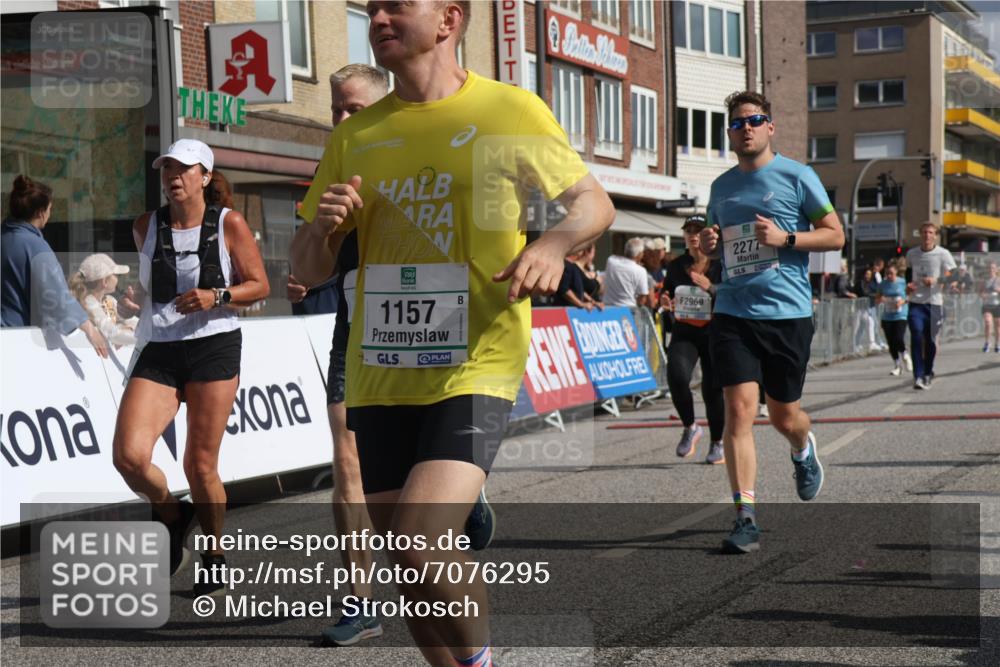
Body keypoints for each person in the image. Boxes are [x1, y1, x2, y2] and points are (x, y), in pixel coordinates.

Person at [292, 3, 615, 664]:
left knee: (419, 537)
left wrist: (553, 243)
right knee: (408, 568)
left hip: (477, 357)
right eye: (371, 8)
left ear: (448, 20)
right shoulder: (356, 135)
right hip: (382, 365)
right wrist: (323, 229)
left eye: (395, 6)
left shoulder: (507, 111)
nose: (378, 16)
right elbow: (302, 272)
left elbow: (593, 202)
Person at [111, 139, 269, 595]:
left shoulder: (228, 224)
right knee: (129, 457)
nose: (173, 177)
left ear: (204, 176)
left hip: (212, 346)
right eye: (167, 170)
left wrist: (215, 296)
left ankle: (215, 553)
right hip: (159, 347)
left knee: (200, 465)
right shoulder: (146, 226)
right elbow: (149, 289)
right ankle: (172, 512)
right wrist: (132, 300)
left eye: (183, 169)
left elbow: (259, 285)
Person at [700, 90, 845, 554]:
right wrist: (707, 242)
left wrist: (785, 238)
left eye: (754, 120)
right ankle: (745, 516)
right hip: (733, 312)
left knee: (785, 417)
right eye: (737, 123)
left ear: (770, 126)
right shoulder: (721, 187)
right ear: (730, 133)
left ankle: (803, 449)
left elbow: (835, 235)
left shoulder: (798, 176)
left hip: (787, 314)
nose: (745, 129)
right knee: (739, 411)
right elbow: (715, 244)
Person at [1, 175, 109, 357]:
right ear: (41, 212)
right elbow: (56, 298)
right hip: (17, 341)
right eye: (50, 209)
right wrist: (90, 329)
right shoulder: (35, 247)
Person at [660, 215, 725, 464]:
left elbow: (732, 293)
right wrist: (665, 301)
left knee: (712, 390)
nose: (693, 234)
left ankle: (717, 442)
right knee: (676, 376)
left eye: (698, 230)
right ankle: (690, 427)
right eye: (689, 230)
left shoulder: (720, 265)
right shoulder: (677, 265)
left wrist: (711, 287)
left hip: (714, 331)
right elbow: (667, 291)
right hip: (685, 330)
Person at [905, 223, 956, 390]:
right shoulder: (912, 253)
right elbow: (908, 274)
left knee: (931, 342)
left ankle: (928, 371)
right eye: (924, 232)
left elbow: (953, 277)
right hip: (916, 303)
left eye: (931, 232)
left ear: (935, 236)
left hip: (934, 303)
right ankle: (918, 376)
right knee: (917, 336)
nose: (927, 235)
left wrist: (935, 280)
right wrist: (908, 286)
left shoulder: (943, 254)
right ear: (920, 234)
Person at [69, 253, 138, 347]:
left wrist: (126, 319)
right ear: (104, 282)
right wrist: (151, 334)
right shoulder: (88, 302)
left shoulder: (108, 300)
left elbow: (134, 322)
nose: (118, 279)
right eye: (117, 275)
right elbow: (115, 336)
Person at [875, 263, 911, 375]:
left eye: (891, 273)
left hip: (901, 315)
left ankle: (905, 355)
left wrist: (903, 301)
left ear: (896, 272)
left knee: (898, 337)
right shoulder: (883, 284)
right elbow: (878, 297)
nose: (889, 276)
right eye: (887, 274)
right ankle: (897, 365)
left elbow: (910, 295)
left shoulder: (902, 282)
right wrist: (881, 299)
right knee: (891, 342)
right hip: (887, 315)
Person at [604, 237, 653, 308]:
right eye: (642, 252)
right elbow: (642, 297)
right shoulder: (641, 271)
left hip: (609, 308)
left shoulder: (611, 261)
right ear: (639, 254)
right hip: (628, 310)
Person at [979, 261, 999, 353]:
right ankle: (987, 343)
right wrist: (982, 295)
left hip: (997, 304)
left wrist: (998, 290)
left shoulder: (998, 280)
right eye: (989, 268)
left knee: (998, 325)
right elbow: (980, 291)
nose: (991, 270)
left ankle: (997, 344)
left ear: (996, 269)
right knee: (988, 323)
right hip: (987, 305)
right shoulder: (984, 280)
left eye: (993, 268)